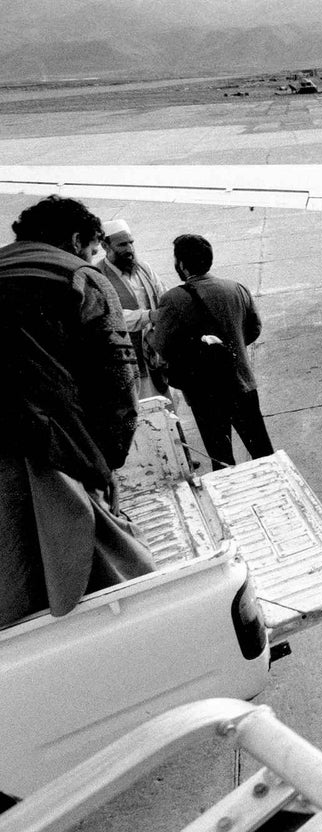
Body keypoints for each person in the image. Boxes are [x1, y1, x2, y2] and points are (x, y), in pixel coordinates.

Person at [0, 195, 154, 630]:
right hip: (46, 450)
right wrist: (105, 463)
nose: (93, 257)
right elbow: (118, 384)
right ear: (75, 239)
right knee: (101, 574)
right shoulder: (79, 277)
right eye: (91, 248)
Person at [151, 233, 274, 470]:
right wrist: (230, 348)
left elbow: (162, 347)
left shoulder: (172, 299)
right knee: (262, 450)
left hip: (203, 392)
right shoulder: (236, 288)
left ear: (182, 266)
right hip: (242, 383)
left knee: (221, 459)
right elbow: (254, 328)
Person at [97, 218, 170, 399]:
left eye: (131, 243)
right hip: (129, 362)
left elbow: (164, 296)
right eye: (122, 245)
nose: (130, 249)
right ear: (106, 246)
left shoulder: (143, 268)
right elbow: (113, 318)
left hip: (155, 356)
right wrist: (150, 316)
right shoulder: (98, 276)